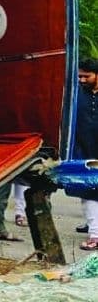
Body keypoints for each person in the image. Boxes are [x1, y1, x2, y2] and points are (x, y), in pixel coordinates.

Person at [76, 57, 98, 250]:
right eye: (79, 76)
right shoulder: (76, 93)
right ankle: (95, 235)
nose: (82, 80)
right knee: (88, 192)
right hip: (85, 152)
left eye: (86, 76)